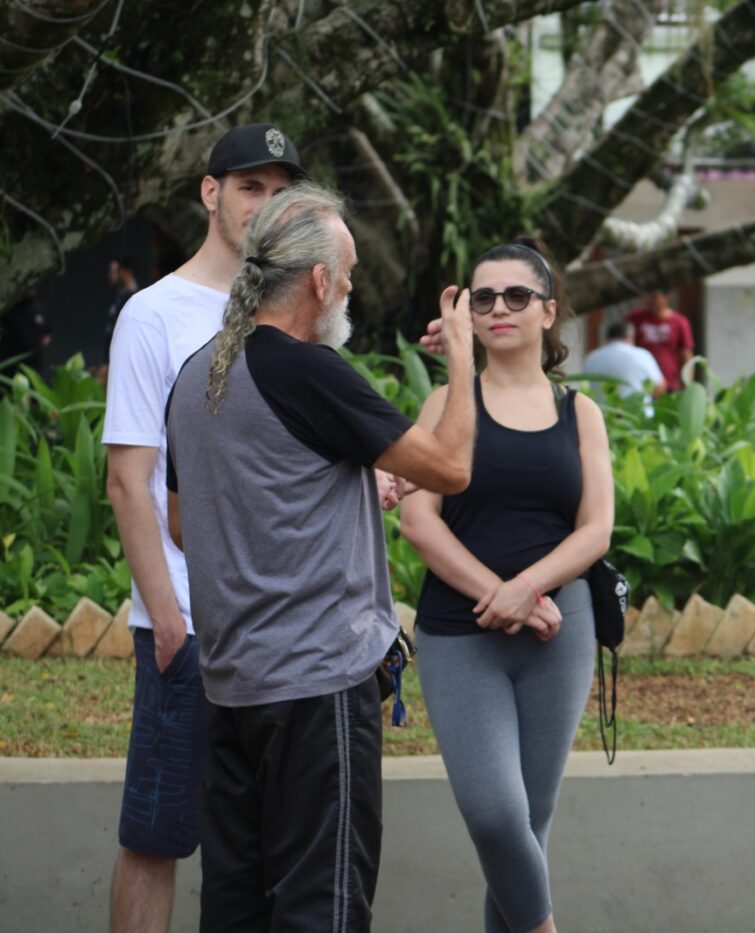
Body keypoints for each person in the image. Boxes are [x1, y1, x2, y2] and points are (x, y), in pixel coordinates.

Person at [164, 183, 478, 931]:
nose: (352, 283)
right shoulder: (309, 369)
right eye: (351, 268)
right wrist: (463, 362)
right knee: (322, 907)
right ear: (317, 280)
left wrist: (332, 499)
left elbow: (186, 523)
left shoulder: (198, 374)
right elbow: (452, 466)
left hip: (234, 687)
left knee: (235, 905)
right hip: (316, 688)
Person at [101, 122, 304, 933]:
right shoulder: (154, 315)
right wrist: (169, 619)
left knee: (261, 843)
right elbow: (127, 476)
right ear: (209, 193)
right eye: (249, 186)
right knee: (157, 835)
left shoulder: (291, 312)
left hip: (280, 629)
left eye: (280, 189)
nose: (265, 203)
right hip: (187, 627)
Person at [400, 238, 614, 933]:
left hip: (560, 628)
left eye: (516, 295)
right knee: (496, 815)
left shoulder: (581, 412)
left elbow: (595, 529)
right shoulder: (444, 403)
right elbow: (416, 518)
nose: (498, 307)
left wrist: (529, 588)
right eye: (482, 296)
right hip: (461, 634)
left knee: (529, 825)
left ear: (548, 312)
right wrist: (499, 592)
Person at [624, 289, 693, 392]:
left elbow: (685, 354)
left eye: (655, 297)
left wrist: (687, 383)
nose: (650, 301)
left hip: (670, 383)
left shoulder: (679, 322)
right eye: (649, 297)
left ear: (666, 298)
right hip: (642, 382)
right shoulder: (635, 318)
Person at [582, 320, 664, 401]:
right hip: (636, 412)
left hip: (602, 411)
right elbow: (659, 387)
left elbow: (585, 387)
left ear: (606, 338)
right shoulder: (642, 355)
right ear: (630, 337)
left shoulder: (592, 357)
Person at [99, 257, 140, 374]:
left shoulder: (136, 299)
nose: (113, 275)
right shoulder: (116, 296)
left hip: (124, 364)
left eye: (118, 271)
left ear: (127, 272)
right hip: (111, 360)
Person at [0, 291, 51, 377]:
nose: (31, 291)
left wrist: (37, 345)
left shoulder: (37, 307)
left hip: (35, 364)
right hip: (11, 363)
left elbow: (48, 332)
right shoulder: (11, 308)